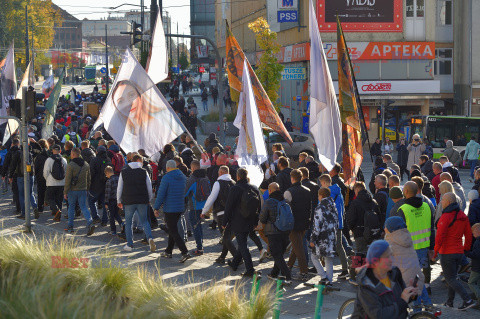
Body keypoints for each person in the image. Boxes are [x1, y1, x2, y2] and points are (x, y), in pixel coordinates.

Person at [351, 240, 418, 319]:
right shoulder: (367, 285)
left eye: (391, 255)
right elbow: (378, 315)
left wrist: (410, 294)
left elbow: (402, 300)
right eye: (387, 256)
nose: (391, 259)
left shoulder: (395, 273)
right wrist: (403, 300)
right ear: (376, 261)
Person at [434, 192, 475, 310]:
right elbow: (468, 234)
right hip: (458, 251)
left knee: (450, 278)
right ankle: (449, 301)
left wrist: (435, 251)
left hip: (447, 252)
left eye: (443, 200)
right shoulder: (462, 215)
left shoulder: (445, 217)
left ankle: (467, 300)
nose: (441, 202)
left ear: (447, 202)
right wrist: (466, 249)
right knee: (453, 276)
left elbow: (440, 236)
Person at [384, 216, 433, 311]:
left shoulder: (390, 241)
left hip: (405, 279)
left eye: (386, 227)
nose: (384, 228)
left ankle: (417, 313)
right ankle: (428, 305)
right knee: (418, 284)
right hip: (416, 274)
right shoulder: (406, 236)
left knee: (411, 302)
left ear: (391, 229)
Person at [224, 168, 261, 277]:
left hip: (238, 221)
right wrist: (256, 220)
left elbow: (229, 206)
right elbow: (258, 207)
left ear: (238, 176)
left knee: (243, 244)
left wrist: (225, 221)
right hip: (250, 220)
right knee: (242, 242)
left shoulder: (235, 189)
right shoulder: (254, 188)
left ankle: (250, 269)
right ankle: (235, 263)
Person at [117, 154, 156, 252]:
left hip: (128, 200)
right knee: (145, 221)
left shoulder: (124, 171)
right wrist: (149, 198)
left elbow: (120, 187)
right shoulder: (144, 172)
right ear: (138, 160)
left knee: (129, 222)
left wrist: (119, 200)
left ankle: (130, 244)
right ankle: (150, 238)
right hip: (142, 200)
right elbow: (149, 187)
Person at [154, 160, 191, 262]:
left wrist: (156, 207)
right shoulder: (183, 177)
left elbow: (161, 194)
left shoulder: (167, 177)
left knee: (173, 231)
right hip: (180, 207)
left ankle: (184, 252)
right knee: (172, 229)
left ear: (168, 168)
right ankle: (168, 251)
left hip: (170, 208)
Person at [201, 165, 237, 264]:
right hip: (233, 214)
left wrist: (204, 211)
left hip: (222, 213)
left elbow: (211, 198)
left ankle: (237, 257)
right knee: (226, 237)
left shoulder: (218, 183)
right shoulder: (233, 183)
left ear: (221, 173)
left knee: (225, 238)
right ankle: (222, 257)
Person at [259, 182, 292, 282]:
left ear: (269, 190)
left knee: (276, 254)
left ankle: (287, 275)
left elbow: (263, 218)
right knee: (279, 254)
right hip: (285, 231)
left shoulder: (269, 202)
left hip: (273, 232)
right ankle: (274, 273)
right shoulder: (285, 201)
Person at [319, 174, 349, 278]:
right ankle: (345, 268)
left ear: (323, 183)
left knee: (334, 246)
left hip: (331, 223)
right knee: (338, 246)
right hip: (339, 221)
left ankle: (342, 270)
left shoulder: (328, 194)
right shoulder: (338, 191)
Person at [284, 169, 312, 281]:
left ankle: (304, 272)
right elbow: (309, 207)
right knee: (297, 245)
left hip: (293, 223)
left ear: (292, 178)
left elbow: (286, 210)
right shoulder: (307, 190)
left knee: (298, 247)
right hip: (305, 222)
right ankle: (289, 266)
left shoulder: (288, 192)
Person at [63, 148, 95, 235]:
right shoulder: (86, 164)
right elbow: (89, 178)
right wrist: (87, 188)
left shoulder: (71, 165)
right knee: (84, 207)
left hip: (72, 190)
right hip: (83, 189)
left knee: (71, 207)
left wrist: (65, 192)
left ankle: (70, 226)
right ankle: (90, 222)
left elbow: (68, 179)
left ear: (73, 154)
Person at [185, 160, 210, 255]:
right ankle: (201, 244)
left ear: (193, 168)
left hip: (194, 206)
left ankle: (199, 248)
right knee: (199, 226)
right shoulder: (206, 177)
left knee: (195, 227)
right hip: (204, 206)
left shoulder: (192, 179)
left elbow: (185, 193)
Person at [43, 144, 67, 221]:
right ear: (60, 151)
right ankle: (57, 214)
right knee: (59, 199)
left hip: (51, 182)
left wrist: (47, 179)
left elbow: (46, 172)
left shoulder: (49, 160)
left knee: (49, 198)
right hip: (62, 183)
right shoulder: (64, 160)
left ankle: (56, 211)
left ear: (52, 150)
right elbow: (65, 171)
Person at [88, 145, 111, 226]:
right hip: (106, 185)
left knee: (91, 201)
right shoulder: (108, 160)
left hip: (95, 185)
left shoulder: (94, 160)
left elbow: (91, 173)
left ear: (97, 152)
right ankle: (105, 220)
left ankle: (96, 217)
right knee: (105, 203)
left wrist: (90, 183)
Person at [104, 166, 124, 236]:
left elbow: (107, 193)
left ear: (107, 173)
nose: (106, 176)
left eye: (106, 174)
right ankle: (122, 223)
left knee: (111, 216)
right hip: (118, 199)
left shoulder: (109, 181)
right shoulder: (118, 178)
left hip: (111, 200)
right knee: (116, 213)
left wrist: (106, 202)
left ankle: (113, 230)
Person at [466, 223, 480, 305]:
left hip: (477, 267)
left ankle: (479, 297)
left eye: (473, 233)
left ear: (477, 231)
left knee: (471, 282)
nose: (473, 234)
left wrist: (467, 253)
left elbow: (476, 255)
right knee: (478, 283)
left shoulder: (478, 242)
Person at [34, 139, 50, 214]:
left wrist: (35, 174)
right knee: (49, 191)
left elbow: (36, 167)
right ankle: (49, 204)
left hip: (40, 176)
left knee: (40, 192)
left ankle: (40, 207)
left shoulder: (38, 156)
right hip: (49, 176)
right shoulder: (49, 154)